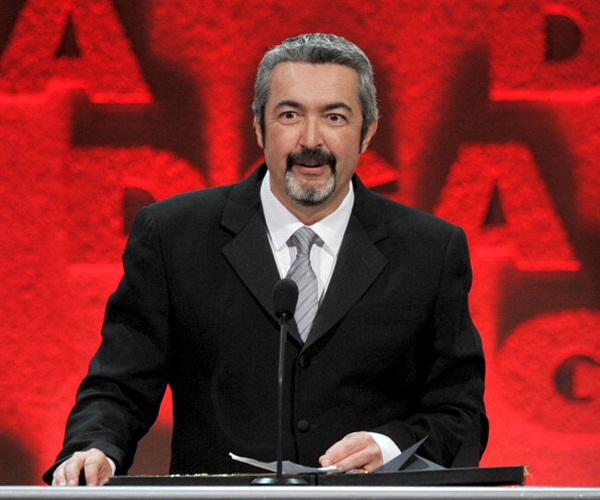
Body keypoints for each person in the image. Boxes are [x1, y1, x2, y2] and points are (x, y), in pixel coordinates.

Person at [45, 33, 488, 487]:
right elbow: (120, 385)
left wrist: (391, 446)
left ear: (368, 131)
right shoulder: (173, 236)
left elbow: (461, 412)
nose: (310, 141)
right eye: (289, 115)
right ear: (259, 127)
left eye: (334, 117)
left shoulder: (429, 250)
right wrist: (94, 447)